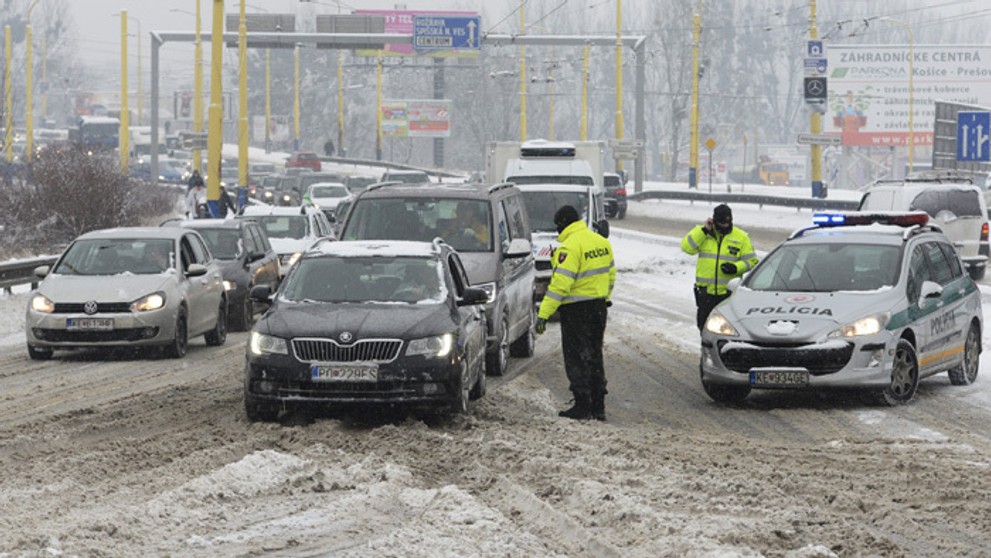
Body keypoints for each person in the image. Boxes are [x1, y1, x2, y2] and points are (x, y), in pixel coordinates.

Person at [534, 205, 616, 421]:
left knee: (576, 358)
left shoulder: (569, 247)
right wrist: (604, 297)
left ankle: (582, 406)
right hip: (598, 308)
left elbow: (560, 286)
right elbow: (611, 274)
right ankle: (598, 406)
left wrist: (543, 314)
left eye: (557, 225)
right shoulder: (601, 242)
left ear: (563, 223)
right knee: (594, 355)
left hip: (576, 312)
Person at [680, 204, 759, 331]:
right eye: (721, 224)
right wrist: (704, 231)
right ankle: (706, 349)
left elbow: (752, 261)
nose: (724, 227)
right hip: (705, 293)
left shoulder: (741, 237)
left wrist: (736, 267)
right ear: (714, 221)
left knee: (727, 329)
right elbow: (686, 248)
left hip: (727, 294)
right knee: (704, 327)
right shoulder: (704, 233)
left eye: (727, 224)